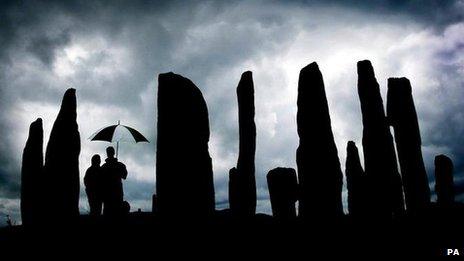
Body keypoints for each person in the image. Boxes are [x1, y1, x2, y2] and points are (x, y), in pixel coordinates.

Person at [101, 146, 128, 216]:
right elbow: (124, 176)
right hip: (117, 194)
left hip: (107, 194)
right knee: (117, 214)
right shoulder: (120, 165)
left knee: (107, 214)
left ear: (107, 154)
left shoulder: (103, 167)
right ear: (114, 153)